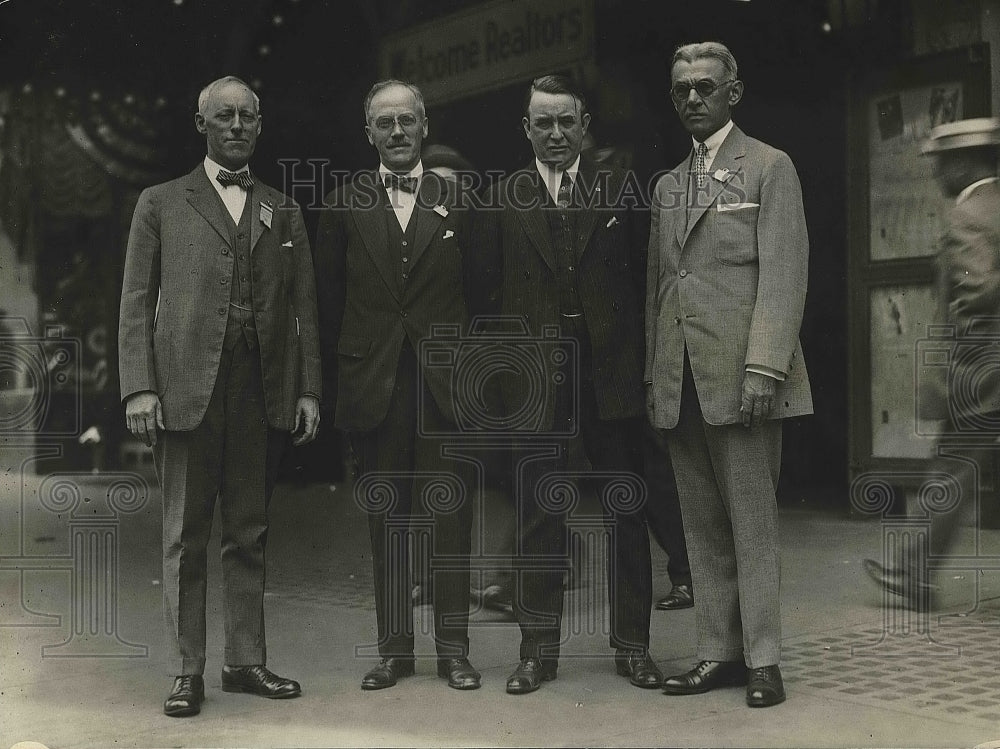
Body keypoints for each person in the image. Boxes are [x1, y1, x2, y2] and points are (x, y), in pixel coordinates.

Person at [118, 76, 321, 717]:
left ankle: (245, 660)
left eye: (247, 116)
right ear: (200, 124)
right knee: (184, 536)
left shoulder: (283, 209)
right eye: (223, 116)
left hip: (260, 393)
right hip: (183, 390)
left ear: (260, 125)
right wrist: (139, 387)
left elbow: (304, 310)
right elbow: (134, 302)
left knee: (250, 532)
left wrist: (308, 389)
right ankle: (187, 671)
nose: (236, 126)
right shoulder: (160, 202)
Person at [469, 74, 661, 694]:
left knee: (626, 511)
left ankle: (633, 645)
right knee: (535, 516)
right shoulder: (502, 199)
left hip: (612, 373)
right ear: (526, 129)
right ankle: (537, 650)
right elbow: (485, 301)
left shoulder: (622, 191)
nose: (555, 134)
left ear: (585, 126)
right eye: (543, 123)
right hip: (536, 380)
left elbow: (644, 284)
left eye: (566, 122)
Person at [645, 42, 813, 708]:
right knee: (701, 525)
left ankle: (764, 658)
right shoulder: (666, 185)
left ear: (733, 93)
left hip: (746, 378)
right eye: (682, 87)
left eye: (706, 86)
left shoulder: (769, 167)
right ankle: (717, 651)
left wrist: (765, 367)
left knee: (753, 522)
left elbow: (784, 273)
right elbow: (661, 287)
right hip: (682, 376)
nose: (693, 97)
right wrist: (655, 376)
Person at [313, 80, 480, 691]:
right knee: (387, 522)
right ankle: (394, 651)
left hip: (444, 387)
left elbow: (481, 294)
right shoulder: (339, 205)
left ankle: (455, 651)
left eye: (407, 120)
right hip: (375, 385)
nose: (397, 132)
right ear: (369, 134)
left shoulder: (461, 202)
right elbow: (330, 303)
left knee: (452, 519)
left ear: (425, 125)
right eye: (384, 123)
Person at [863, 117, 1000, 609]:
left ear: (968, 163)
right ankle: (913, 570)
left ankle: (914, 573)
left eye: (943, 164)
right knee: (956, 468)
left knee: (953, 467)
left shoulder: (969, 215)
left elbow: (978, 288)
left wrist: (963, 351)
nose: (938, 174)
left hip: (981, 371)